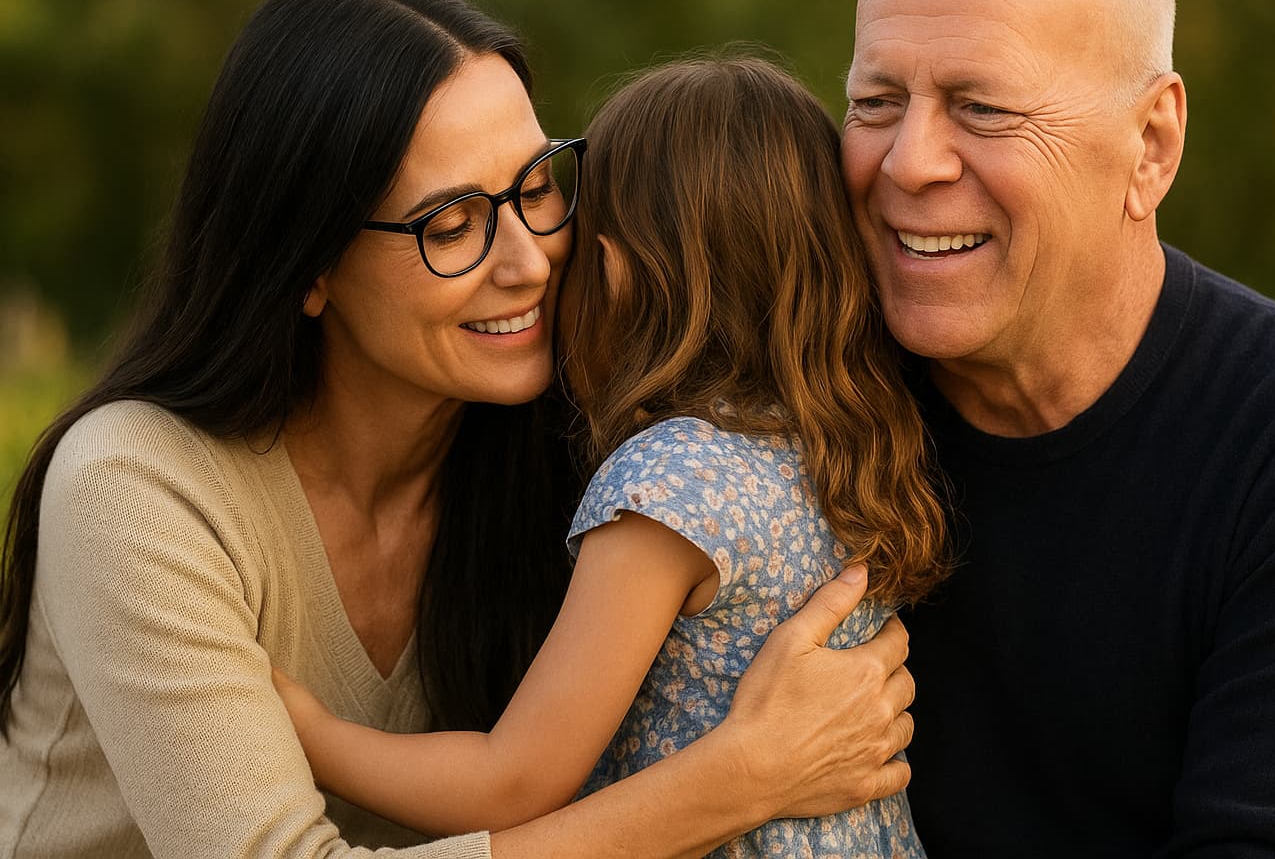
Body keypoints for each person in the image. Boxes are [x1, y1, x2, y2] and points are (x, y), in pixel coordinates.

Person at [0, 0, 917, 859]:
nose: (527, 263)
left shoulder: (586, 440)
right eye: (451, 225)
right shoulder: (137, 489)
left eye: (536, 188)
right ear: (307, 266)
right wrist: (737, 782)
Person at [840, 0, 1275, 857]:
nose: (909, 162)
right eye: (875, 99)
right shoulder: (812, 396)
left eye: (981, 107)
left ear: (1151, 145)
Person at [273, 55, 945, 859]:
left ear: (617, 274)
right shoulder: (846, 440)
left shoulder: (666, 488)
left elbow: (512, 781)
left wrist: (311, 735)